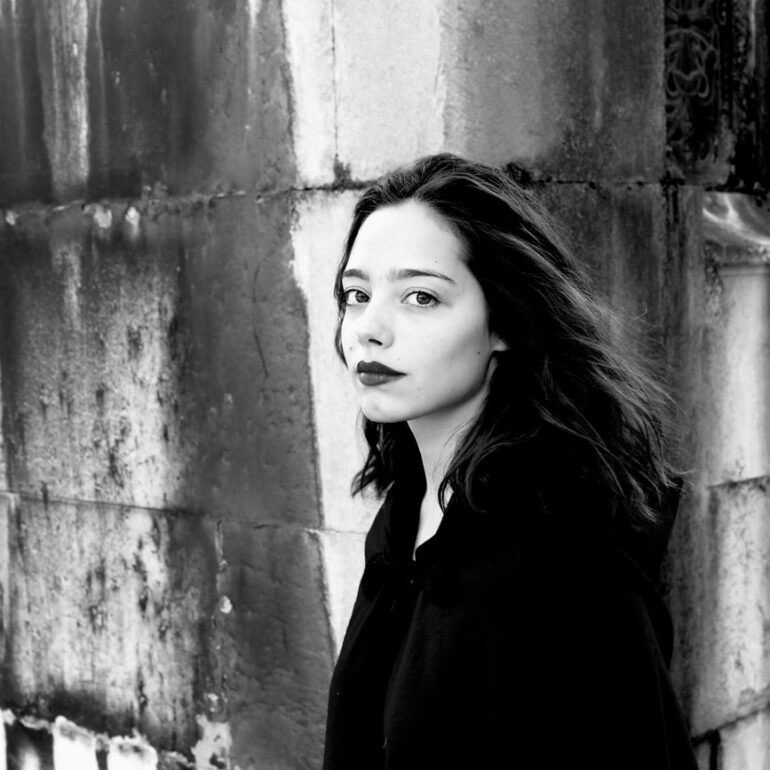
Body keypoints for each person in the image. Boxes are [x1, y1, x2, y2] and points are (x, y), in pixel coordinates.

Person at [322, 153, 698, 769]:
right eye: (356, 295)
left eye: (420, 297)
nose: (368, 328)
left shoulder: (562, 556)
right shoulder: (406, 519)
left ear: (506, 322)